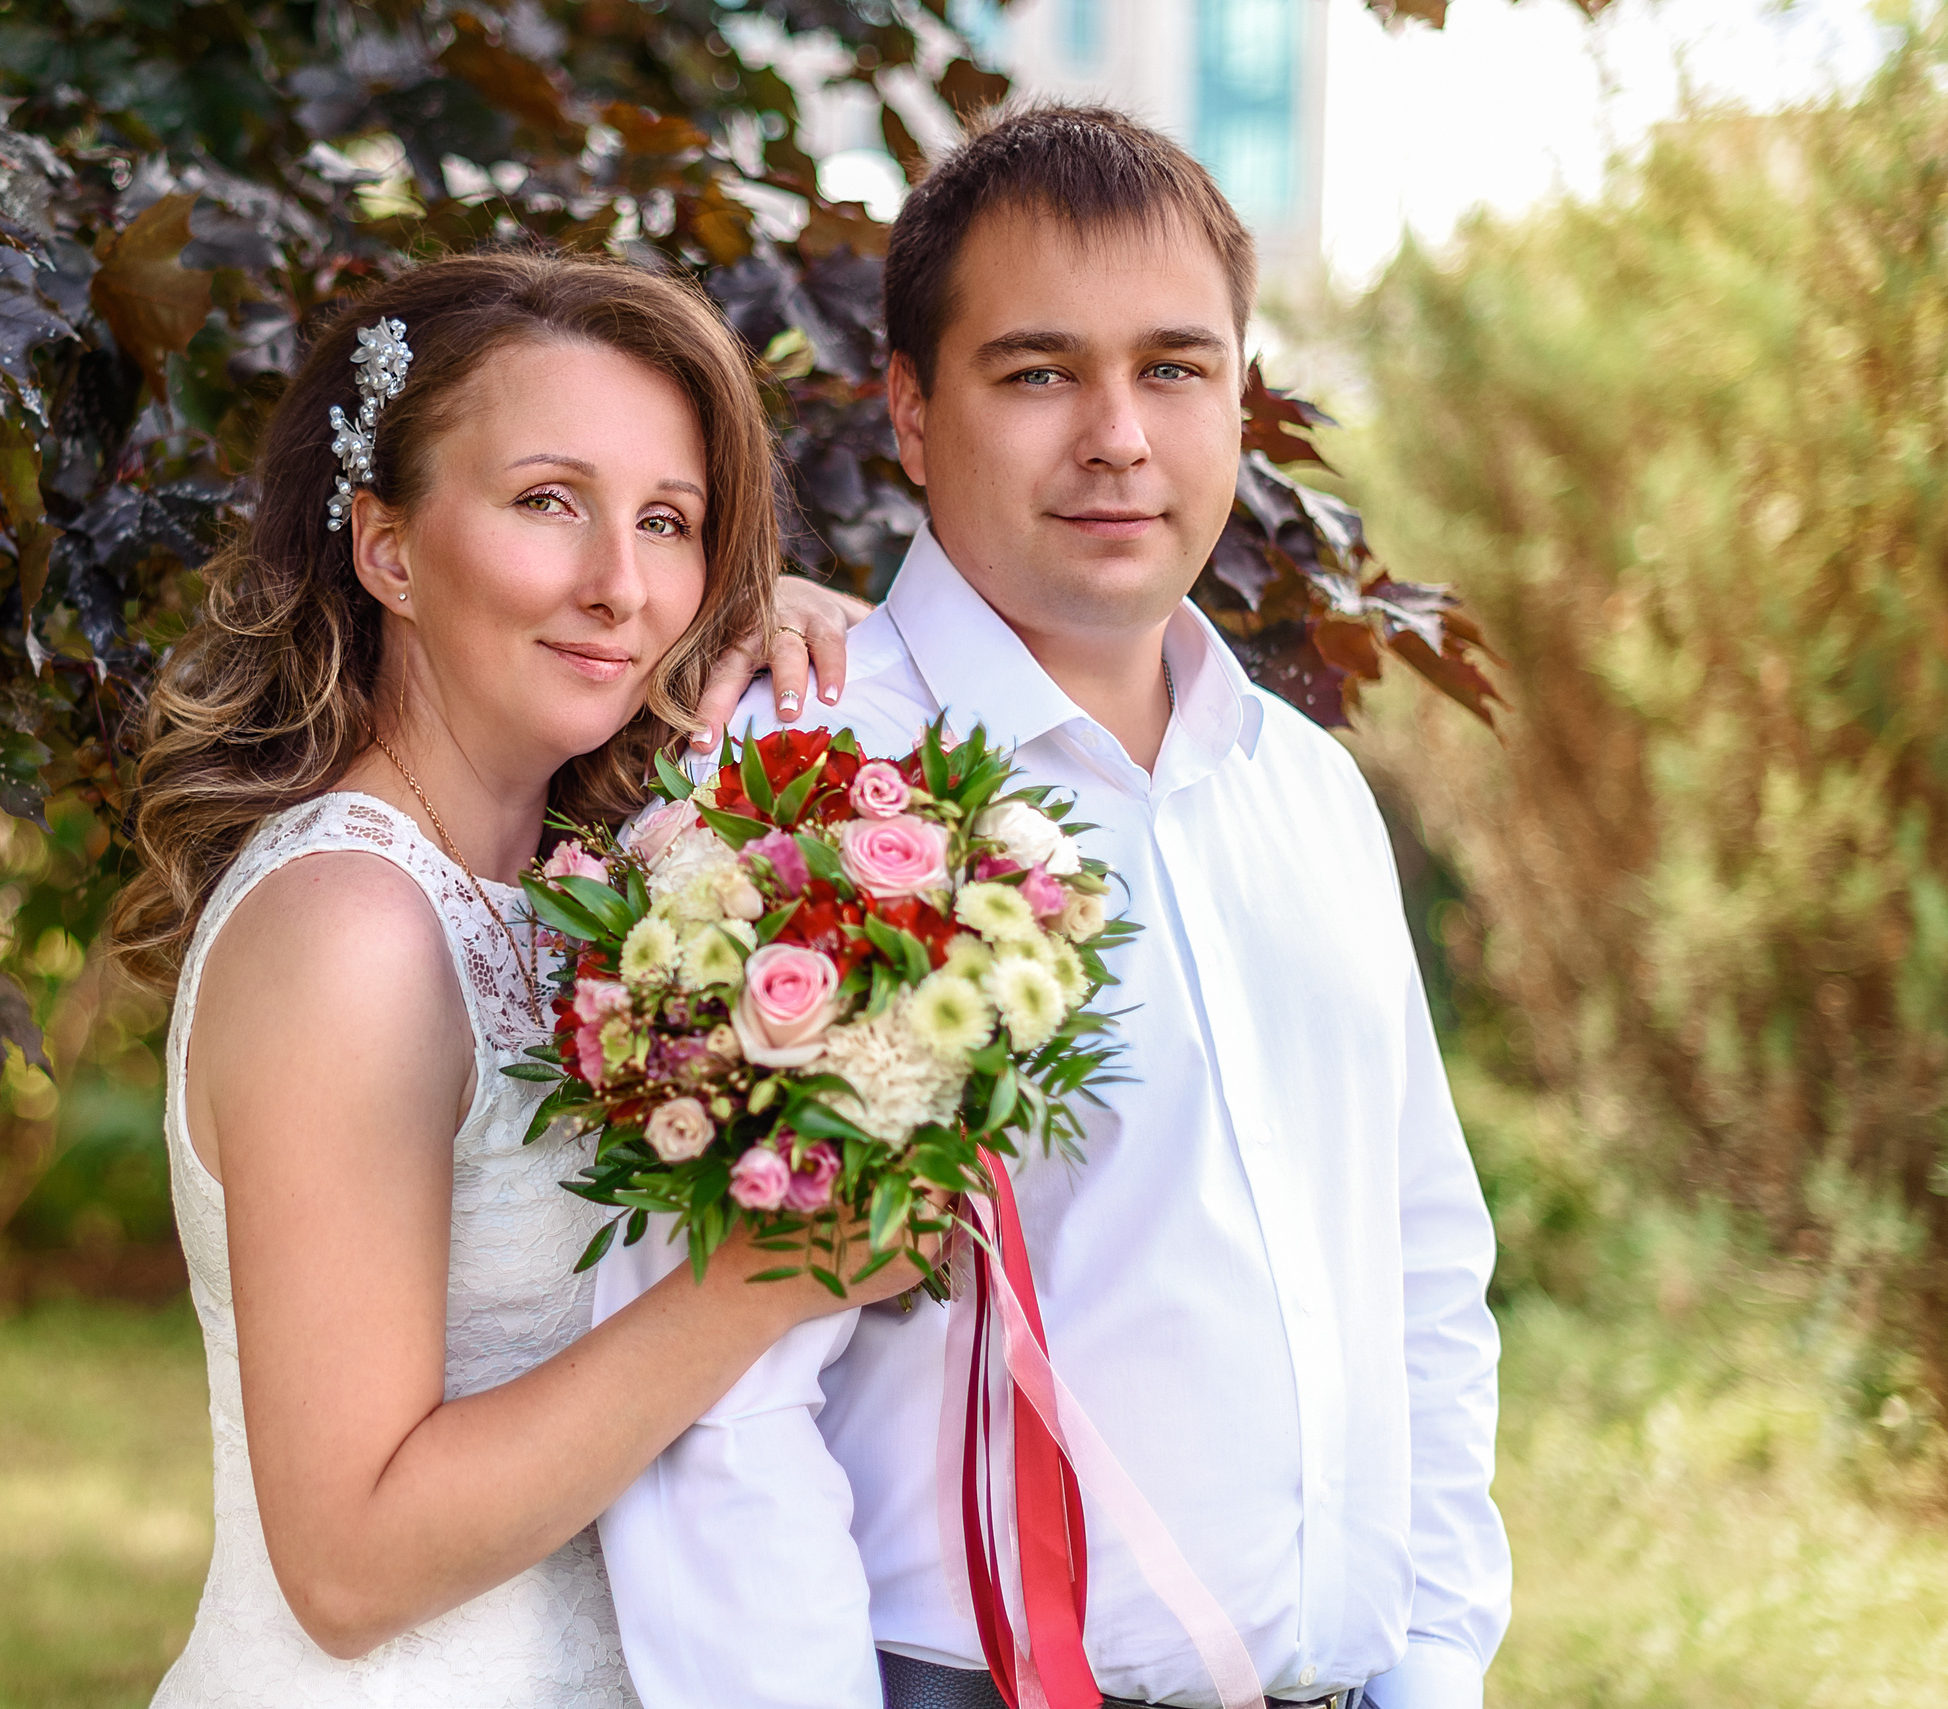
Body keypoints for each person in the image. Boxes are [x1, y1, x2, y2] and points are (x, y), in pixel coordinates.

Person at [593, 105, 1510, 1709]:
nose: (1119, 435)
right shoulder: (797, 784)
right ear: (912, 410)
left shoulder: (1309, 793)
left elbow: (1419, 1263)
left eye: (1176, 367)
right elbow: (713, 1402)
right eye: (1037, 373)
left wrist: (1432, 1661)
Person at [107, 247, 909, 1709]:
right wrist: (769, 1277)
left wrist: (807, 636)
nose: (620, 586)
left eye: (667, 522)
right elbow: (348, 1565)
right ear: (388, 549)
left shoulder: (590, 896)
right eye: (549, 501)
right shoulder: (351, 927)